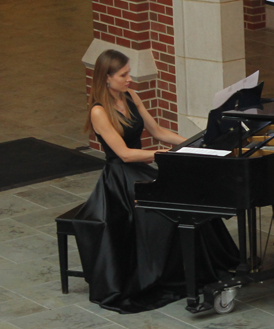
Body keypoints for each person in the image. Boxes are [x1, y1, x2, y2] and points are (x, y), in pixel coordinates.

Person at [73, 49, 240, 313]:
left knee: (189, 197)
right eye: (124, 75)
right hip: (121, 179)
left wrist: (193, 143)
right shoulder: (98, 112)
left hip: (141, 169)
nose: (130, 79)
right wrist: (161, 155)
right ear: (106, 78)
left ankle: (202, 266)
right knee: (163, 215)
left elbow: (157, 131)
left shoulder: (131, 96)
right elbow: (125, 154)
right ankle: (168, 275)